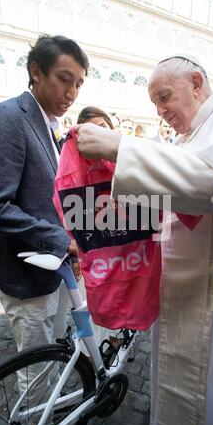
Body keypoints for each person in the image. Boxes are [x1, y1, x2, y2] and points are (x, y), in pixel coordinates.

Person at [75, 54, 213, 425]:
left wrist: (121, 148)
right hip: (181, 287)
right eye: (155, 104)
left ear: (196, 82)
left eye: (165, 97)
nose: (161, 111)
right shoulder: (186, 137)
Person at [0, 35, 89, 387]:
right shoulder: (8, 117)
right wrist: (59, 239)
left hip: (53, 270)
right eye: (64, 78)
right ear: (35, 72)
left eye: (79, 84)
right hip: (25, 273)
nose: (71, 93)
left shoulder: (50, 127)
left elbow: (48, 199)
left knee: (51, 357)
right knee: (37, 376)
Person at [76, 106, 122, 352]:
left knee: (119, 297)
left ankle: (115, 344)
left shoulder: (125, 160)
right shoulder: (79, 168)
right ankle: (90, 355)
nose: (99, 134)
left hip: (122, 244)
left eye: (102, 127)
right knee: (94, 300)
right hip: (94, 246)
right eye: (91, 129)